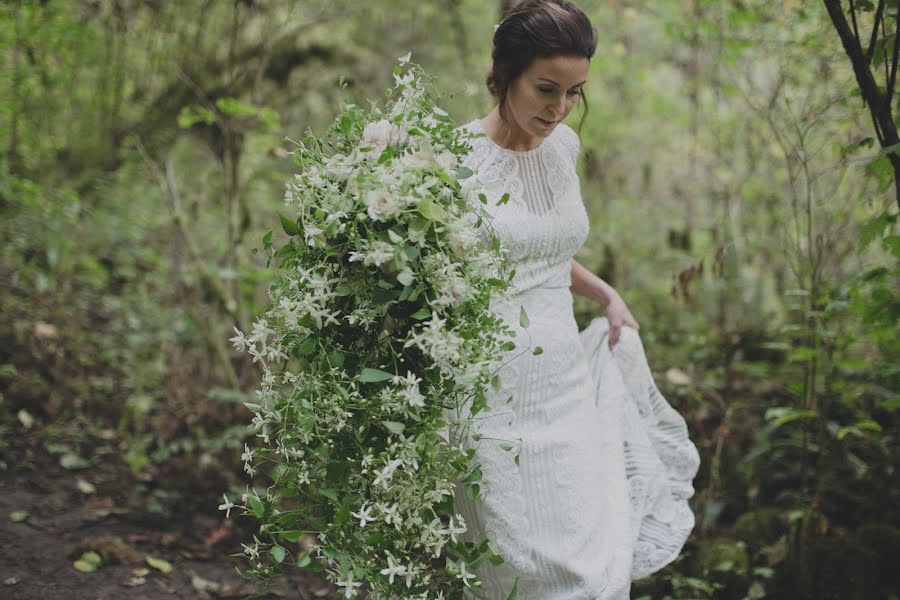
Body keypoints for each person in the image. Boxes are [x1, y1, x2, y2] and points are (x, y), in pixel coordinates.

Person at [452, 1, 702, 598]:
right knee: (517, 562)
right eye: (545, 88)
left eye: (574, 92)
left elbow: (547, 251)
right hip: (489, 388)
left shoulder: (562, 150)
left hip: (563, 382)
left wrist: (607, 294)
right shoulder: (452, 161)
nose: (559, 108)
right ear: (505, 73)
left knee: (588, 559)